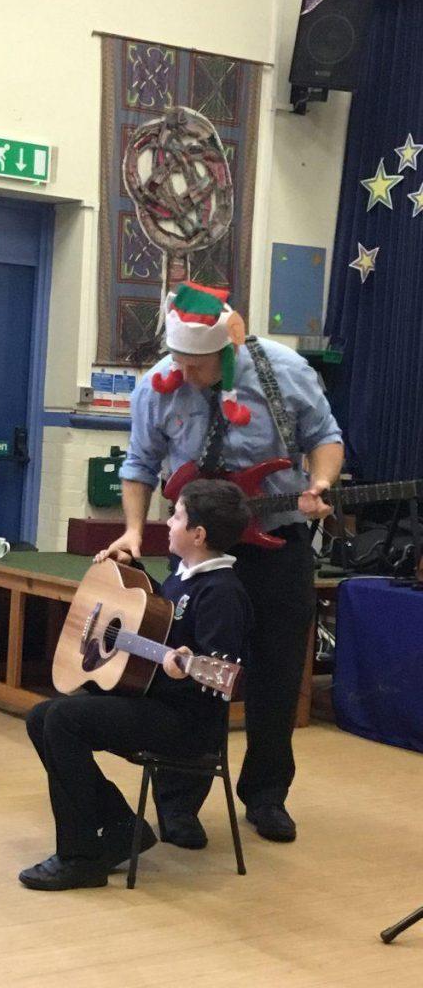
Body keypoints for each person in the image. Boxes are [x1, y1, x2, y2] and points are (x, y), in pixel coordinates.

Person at [98, 280, 344, 844]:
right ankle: (178, 801)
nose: (185, 373)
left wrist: (321, 483)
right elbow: (139, 463)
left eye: (198, 364)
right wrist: (133, 530)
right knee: (186, 673)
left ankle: (267, 795)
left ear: (227, 347)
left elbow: (325, 436)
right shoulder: (157, 386)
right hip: (198, 551)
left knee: (277, 675)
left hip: (277, 543)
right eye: (178, 360)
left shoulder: (283, 371)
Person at [19, 480, 253, 890]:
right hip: (154, 704)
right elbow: (159, 618)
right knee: (41, 717)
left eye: (176, 516)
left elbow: (220, 676)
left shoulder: (223, 593)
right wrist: (129, 574)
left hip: (186, 722)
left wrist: (184, 669)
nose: (168, 523)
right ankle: (120, 827)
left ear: (198, 534)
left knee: (64, 720)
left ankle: (80, 857)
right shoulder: (182, 577)